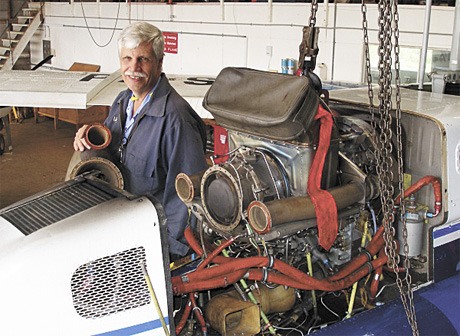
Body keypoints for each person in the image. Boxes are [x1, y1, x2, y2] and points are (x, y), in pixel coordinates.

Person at [73, 22, 208, 260]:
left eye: (143, 59)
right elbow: (112, 155)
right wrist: (86, 138)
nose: (133, 68)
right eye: (127, 58)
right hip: (122, 225)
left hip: (151, 240)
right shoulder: (122, 102)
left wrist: (166, 253)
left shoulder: (176, 120)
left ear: (159, 62)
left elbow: (186, 199)